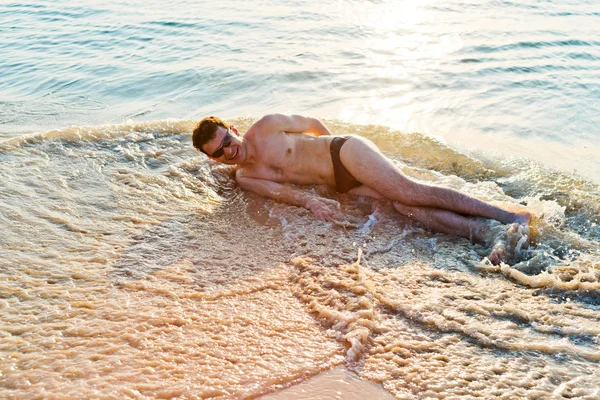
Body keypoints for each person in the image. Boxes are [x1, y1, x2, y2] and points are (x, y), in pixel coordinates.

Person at [192, 114, 531, 264]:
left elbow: (311, 124)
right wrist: (315, 202)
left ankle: (510, 215)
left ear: (233, 130)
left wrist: (334, 146)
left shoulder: (267, 126)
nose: (228, 151)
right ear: (214, 158)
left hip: (345, 153)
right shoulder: (245, 178)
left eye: (227, 140)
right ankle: (487, 233)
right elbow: (285, 194)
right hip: (343, 187)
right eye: (218, 153)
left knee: (408, 192)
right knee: (404, 208)